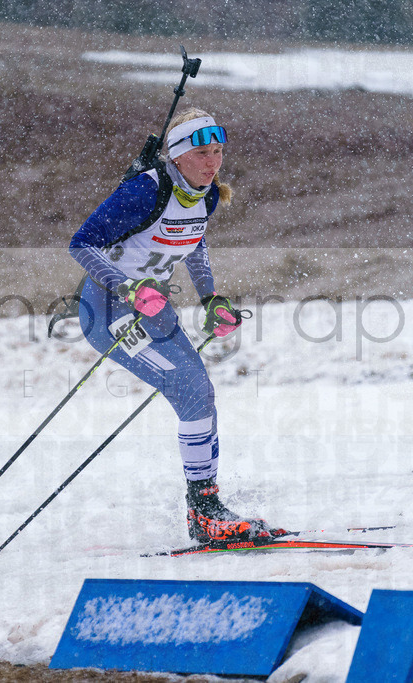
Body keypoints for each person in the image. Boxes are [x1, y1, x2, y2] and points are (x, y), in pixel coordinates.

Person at [69, 108, 285, 544]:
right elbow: (81, 243)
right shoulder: (144, 191)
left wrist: (210, 299)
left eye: (219, 152)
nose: (213, 163)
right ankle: (204, 515)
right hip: (108, 311)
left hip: (151, 308)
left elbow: (194, 242)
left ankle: (206, 508)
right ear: (178, 155)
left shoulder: (203, 195)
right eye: (203, 152)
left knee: (199, 392)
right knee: (191, 387)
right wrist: (127, 288)